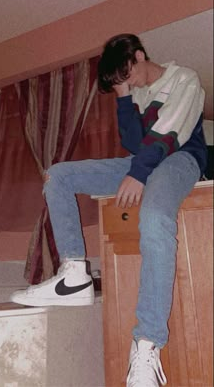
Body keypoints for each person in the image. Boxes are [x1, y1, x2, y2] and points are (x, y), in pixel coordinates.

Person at [11, 34, 207, 387]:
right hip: (143, 160)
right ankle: (73, 274)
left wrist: (138, 174)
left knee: (154, 217)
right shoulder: (134, 92)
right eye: (119, 82)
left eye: (127, 75)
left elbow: (170, 132)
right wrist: (123, 98)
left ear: (140, 55)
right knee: (58, 176)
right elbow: (133, 143)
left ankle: (146, 346)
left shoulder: (184, 78)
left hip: (181, 159)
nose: (127, 83)